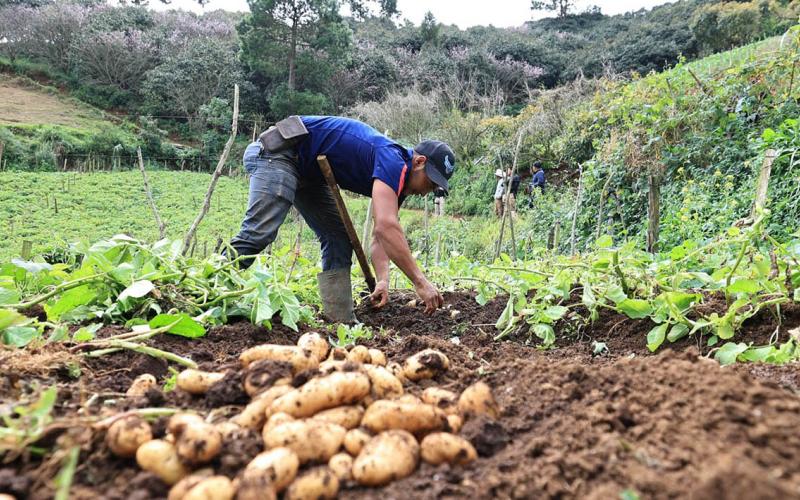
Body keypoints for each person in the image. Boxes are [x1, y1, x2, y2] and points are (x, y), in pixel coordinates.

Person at [229, 115, 456, 322]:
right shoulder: (393, 161)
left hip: (308, 172)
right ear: (419, 162)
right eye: (430, 182)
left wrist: (383, 280)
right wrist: (420, 282)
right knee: (260, 232)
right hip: (278, 153)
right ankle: (215, 286)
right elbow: (386, 228)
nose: (427, 192)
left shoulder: (399, 181)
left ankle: (340, 320)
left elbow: (382, 235)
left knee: (337, 237)